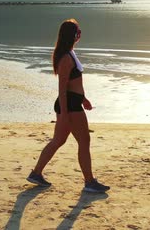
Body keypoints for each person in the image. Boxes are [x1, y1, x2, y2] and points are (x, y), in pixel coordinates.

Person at [27, 19, 110, 193]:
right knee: (84, 141)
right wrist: (64, 113)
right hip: (69, 106)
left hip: (73, 102)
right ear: (72, 35)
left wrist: (84, 98)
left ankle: (36, 173)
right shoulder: (65, 58)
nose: (80, 34)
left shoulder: (70, 53)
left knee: (59, 140)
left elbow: (75, 83)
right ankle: (89, 181)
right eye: (77, 31)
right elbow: (62, 87)